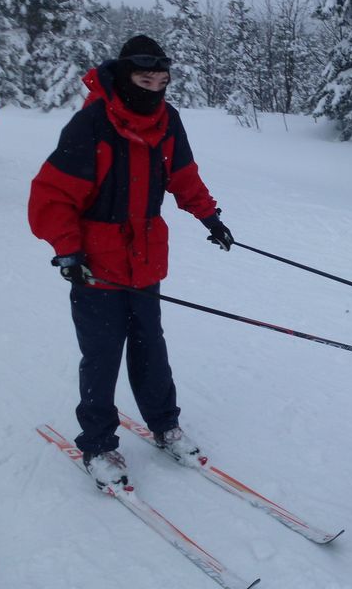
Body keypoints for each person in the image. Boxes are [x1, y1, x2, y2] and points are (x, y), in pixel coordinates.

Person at [28, 35, 235, 491]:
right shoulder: (92, 122)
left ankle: (165, 425)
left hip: (145, 258)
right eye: (145, 82)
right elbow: (52, 193)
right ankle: (99, 445)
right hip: (96, 263)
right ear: (126, 78)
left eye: (162, 82)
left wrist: (209, 217)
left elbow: (183, 174)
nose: (155, 90)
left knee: (150, 347)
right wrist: (67, 250)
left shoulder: (167, 119)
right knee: (102, 355)